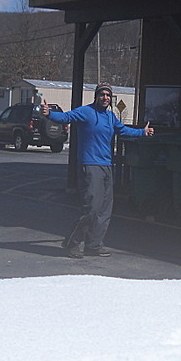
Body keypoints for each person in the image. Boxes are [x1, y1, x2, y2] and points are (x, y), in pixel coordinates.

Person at [42, 82, 154, 258]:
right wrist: (50, 114)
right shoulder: (86, 112)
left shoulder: (110, 117)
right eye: (102, 94)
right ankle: (72, 242)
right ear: (96, 96)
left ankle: (93, 245)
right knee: (92, 208)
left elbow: (123, 130)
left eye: (108, 95)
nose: (105, 98)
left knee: (104, 209)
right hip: (90, 165)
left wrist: (142, 132)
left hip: (107, 166)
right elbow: (66, 117)